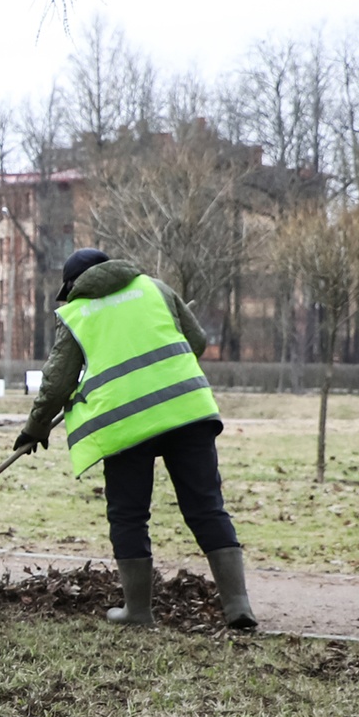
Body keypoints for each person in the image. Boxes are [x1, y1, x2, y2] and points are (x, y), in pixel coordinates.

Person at [15, 247, 257, 631]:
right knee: (207, 507)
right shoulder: (155, 289)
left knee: (129, 515)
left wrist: (35, 427)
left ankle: (138, 612)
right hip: (187, 412)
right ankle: (238, 606)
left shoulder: (76, 314)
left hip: (127, 426)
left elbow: (57, 381)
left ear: (73, 285)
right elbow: (196, 341)